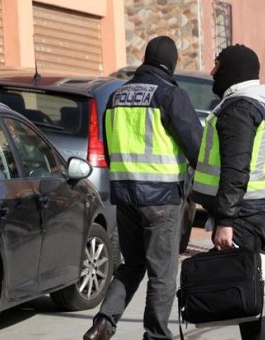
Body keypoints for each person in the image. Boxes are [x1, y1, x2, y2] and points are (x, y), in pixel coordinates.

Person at [83, 35, 203, 340]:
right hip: (161, 198)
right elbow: (197, 148)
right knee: (162, 273)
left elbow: (109, 150)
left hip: (125, 197)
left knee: (132, 265)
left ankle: (102, 324)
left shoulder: (116, 96)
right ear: (171, 64)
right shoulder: (170, 95)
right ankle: (156, 335)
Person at [191, 44, 265, 340]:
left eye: (217, 65)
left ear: (232, 69)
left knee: (249, 306)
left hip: (243, 218)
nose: (212, 72)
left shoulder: (239, 108)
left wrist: (225, 221)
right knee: (261, 303)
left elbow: (235, 168)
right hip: (262, 214)